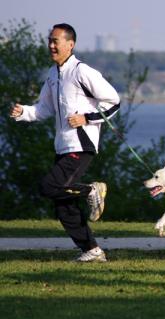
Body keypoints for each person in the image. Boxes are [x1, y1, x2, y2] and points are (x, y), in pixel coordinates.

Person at [9, 23, 120, 262]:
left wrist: (86, 118)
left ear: (70, 45)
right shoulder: (52, 74)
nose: (51, 45)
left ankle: (91, 189)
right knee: (63, 205)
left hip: (81, 145)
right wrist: (23, 112)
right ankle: (92, 250)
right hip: (62, 146)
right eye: (49, 40)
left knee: (48, 187)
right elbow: (44, 109)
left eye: (55, 41)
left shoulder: (82, 71)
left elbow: (114, 101)